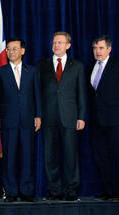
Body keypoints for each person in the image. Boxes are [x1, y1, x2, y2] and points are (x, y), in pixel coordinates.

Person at [36, 31, 86, 201]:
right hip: (48, 117)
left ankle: (71, 190)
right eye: (54, 42)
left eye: (60, 42)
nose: (56, 45)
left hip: (69, 117)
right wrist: (38, 115)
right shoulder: (42, 65)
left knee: (71, 155)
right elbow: (37, 93)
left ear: (68, 46)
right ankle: (54, 191)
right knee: (50, 156)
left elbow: (82, 94)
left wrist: (81, 116)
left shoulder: (77, 66)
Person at [86, 35, 119, 201]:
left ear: (109, 49)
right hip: (96, 123)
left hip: (116, 121)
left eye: (101, 48)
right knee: (102, 158)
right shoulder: (89, 67)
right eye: (95, 48)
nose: (97, 51)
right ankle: (107, 191)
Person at [0, 38, 42, 203]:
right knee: (10, 158)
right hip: (8, 122)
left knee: (28, 157)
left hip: (28, 121)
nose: (10, 52)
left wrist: (38, 116)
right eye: (8, 49)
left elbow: (37, 96)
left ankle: (27, 191)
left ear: (22, 51)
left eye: (14, 49)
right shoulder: (0, 72)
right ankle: (12, 192)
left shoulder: (32, 71)